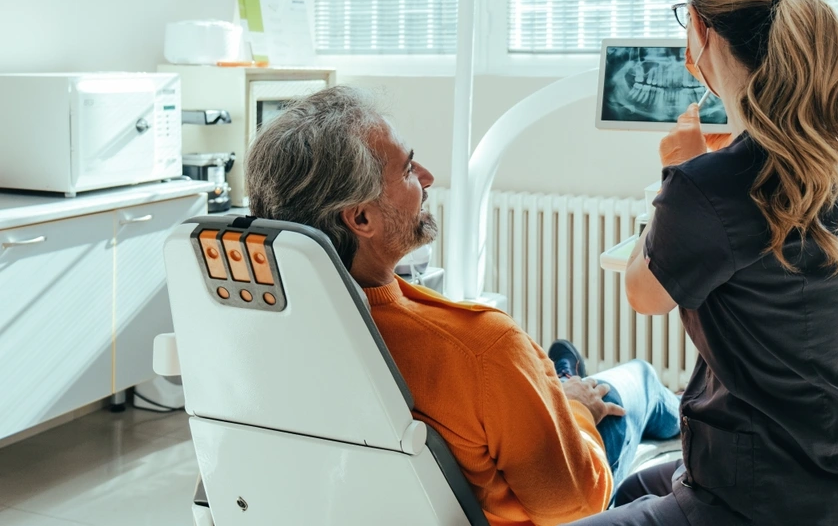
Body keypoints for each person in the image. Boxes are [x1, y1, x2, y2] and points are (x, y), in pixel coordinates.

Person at [570, 0, 838, 526]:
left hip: (753, 501)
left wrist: (677, 174)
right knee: (635, 484)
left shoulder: (705, 187)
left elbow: (643, 293)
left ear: (700, 28)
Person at [244, 87, 682, 526]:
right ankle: (640, 405)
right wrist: (579, 410)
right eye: (408, 169)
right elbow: (573, 507)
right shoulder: (483, 346)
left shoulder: (263, 337)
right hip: (538, 503)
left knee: (557, 372)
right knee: (635, 383)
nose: (429, 177)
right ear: (361, 220)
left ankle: (555, 377)